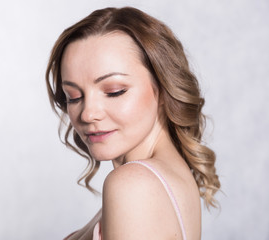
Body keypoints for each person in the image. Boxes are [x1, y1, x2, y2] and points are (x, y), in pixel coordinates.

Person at [45, 6, 220, 240]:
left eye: (114, 91)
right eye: (74, 97)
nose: (87, 114)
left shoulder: (134, 185)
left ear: (163, 88)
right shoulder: (165, 178)